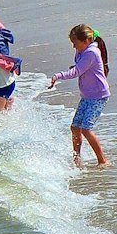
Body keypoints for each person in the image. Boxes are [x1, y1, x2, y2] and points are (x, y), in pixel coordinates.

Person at [48, 23, 110, 166]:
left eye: (75, 44)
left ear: (86, 41)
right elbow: (80, 67)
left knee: (86, 129)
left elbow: (76, 71)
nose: (73, 47)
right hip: (87, 95)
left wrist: (58, 76)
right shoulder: (82, 50)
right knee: (75, 127)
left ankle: (103, 161)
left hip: (98, 96)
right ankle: (77, 160)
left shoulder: (91, 52)